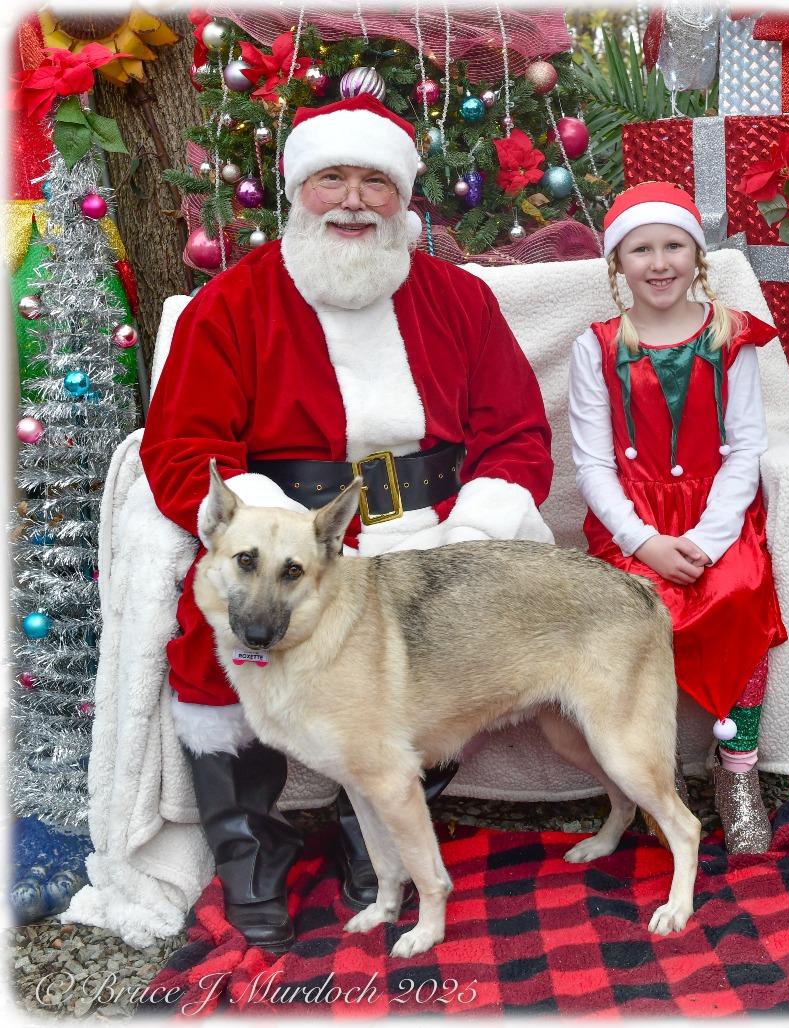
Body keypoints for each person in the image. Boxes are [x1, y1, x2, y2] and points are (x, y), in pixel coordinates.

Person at [139, 94, 554, 951]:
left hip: (435, 531)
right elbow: (181, 447)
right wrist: (274, 529)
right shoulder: (231, 304)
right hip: (295, 540)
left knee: (457, 638)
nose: (356, 200)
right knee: (208, 632)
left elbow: (517, 433)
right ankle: (249, 845)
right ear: (298, 191)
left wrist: (476, 535)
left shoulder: (459, 300)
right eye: (334, 179)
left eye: (377, 182)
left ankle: (387, 839)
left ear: (404, 200)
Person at [568, 181, 788, 854]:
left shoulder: (729, 336)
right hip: (633, 520)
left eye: (673, 246)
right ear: (617, 265)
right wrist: (646, 542)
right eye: (642, 249)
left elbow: (746, 446)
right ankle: (657, 778)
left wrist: (707, 538)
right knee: (635, 611)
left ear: (697, 258)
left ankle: (738, 774)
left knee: (739, 591)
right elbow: (591, 465)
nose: (659, 262)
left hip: (715, 514)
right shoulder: (597, 347)